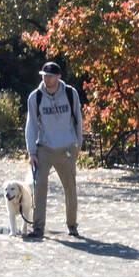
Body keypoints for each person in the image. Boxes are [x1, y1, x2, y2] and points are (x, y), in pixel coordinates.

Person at [24, 61, 84, 239]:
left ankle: (72, 225)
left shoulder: (70, 93)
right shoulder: (35, 97)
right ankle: (38, 228)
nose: (46, 78)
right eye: (44, 75)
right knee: (39, 187)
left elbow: (77, 120)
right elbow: (31, 125)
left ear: (58, 77)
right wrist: (32, 152)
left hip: (66, 147)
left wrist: (78, 144)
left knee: (70, 188)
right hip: (44, 148)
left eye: (50, 75)